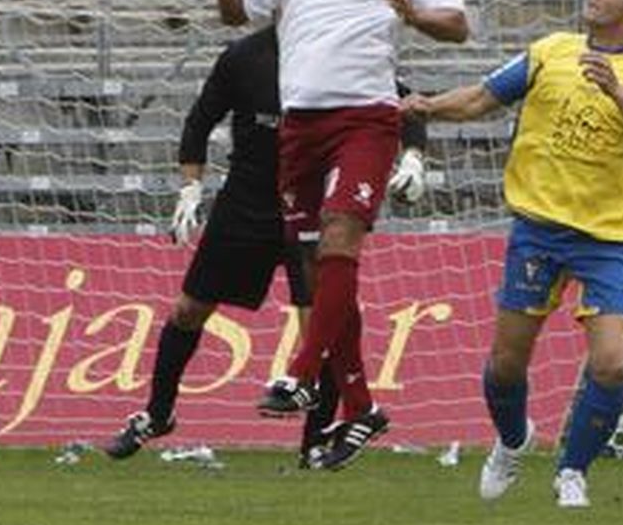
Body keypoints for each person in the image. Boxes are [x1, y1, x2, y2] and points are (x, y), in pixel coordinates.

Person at [216, 0, 468, 470]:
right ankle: (361, 406)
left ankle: (303, 373)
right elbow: (234, 12)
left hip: (366, 119)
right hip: (299, 124)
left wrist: (414, 15)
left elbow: (457, 23)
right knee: (315, 264)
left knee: (338, 237)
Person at [403, 0, 623, 509]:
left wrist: (617, 91)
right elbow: (482, 97)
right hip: (539, 230)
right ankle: (512, 442)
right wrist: (428, 107)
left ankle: (572, 472)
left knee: (613, 363)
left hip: (611, 239)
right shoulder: (551, 50)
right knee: (507, 363)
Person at [102, 26, 430, 466]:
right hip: (245, 203)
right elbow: (199, 120)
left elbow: (406, 106)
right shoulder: (243, 56)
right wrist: (190, 188)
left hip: (311, 204)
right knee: (188, 309)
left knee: (322, 325)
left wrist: (413, 156)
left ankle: (315, 442)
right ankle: (157, 415)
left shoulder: (342, 47)